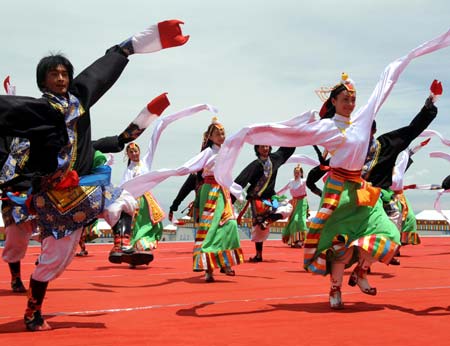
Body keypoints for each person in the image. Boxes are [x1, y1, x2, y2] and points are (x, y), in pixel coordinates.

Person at [215, 30, 450, 309]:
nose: (351, 104)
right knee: (338, 243)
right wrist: (249, 133)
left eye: (353, 100)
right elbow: (293, 135)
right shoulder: (327, 127)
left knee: (388, 235)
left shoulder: (364, 121)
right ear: (334, 103)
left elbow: (386, 83)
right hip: (339, 190)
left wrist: (423, 90)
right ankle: (335, 289)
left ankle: (362, 271)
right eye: (345, 100)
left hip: (363, 191)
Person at [0, 19, 188, 331]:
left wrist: (138, 44)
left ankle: (120, 246)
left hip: (87, 187)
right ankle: (33, 311)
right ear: (42, 81)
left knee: (124, 202)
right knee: (52, 262)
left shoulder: (78, 101)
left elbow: (99, 74)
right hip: (54, 198)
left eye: (64, 73)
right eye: (54, 74)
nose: (61, 78)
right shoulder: (35, 111)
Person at [121, 117, 244, 282]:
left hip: (223, 192)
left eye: (223, 132)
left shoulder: (226, 151)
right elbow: (189, 169)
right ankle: (208, 267)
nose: (221, 135)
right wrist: (173, 172)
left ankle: (224, 261)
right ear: (211, 137)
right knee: (210, 228)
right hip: (211, 191)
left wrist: (235, 190)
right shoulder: (207, 153)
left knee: (230, 224)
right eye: (217, 133)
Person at [361, 84, 441, 264]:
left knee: (394, 224)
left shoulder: (385, 144)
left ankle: (367, 265)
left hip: (381, 196)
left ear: (373, 131)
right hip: (356, 196)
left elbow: (411, 131)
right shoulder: (350, 148)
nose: (364, 133)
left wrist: (429, 104)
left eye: (368, 129)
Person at [233, 145, 295, 262]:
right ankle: (258, 255)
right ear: (257, 149)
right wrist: (230, 200)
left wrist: (294, 134)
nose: (265, 148)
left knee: (287, 206)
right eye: (262, 147)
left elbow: (287, 149)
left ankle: (270, 219)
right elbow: (240, 181)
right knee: (258, 227)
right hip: (258, 199)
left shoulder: (275, 159)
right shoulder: (255, 165)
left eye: (267, 146)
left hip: (272, 197)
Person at [116, 142, 165, 267]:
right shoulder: (128, 170)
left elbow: (152, 146)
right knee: (134, 226)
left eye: (135, 151)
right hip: (134, 200)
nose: (134, 154)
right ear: (127, 155)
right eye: (131, 152)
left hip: (147, 200)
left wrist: (161, 124)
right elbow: (123, 187)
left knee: (154, 224)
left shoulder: (145, 162)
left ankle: (143, 247)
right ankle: (135, 253)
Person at [277, 164, 309, 248]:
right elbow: (284, 189)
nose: (296, 174)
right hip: (294, 202)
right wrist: (276, 195)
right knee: (292, 222)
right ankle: (295, 240)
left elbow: (313, 182)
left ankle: (301, 240)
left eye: (298, 172)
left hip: (302, 202)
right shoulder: (291, 182)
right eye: (295, 172)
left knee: (299, 220)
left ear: (301, 173)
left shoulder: (304, 181)